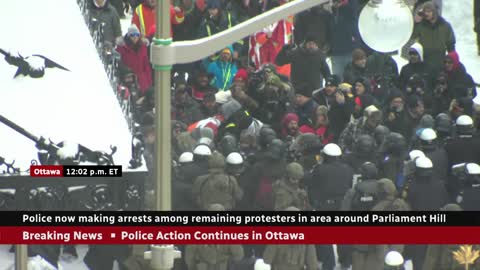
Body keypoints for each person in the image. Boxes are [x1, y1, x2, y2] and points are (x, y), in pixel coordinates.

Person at [412, 1, 455, 73]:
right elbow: (412, 36)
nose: (426, 14)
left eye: (429, 11)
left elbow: (451, 44)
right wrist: (416, 23)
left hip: (440, 62)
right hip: (425, 62)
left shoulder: (445, 26)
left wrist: (452, 60)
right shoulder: (421, 25)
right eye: (425, 11)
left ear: (434, 12)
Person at [116, 25, 153, 95]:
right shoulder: (122, 47)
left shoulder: (143, 47)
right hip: (129, 81)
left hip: (142, 82)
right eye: (132, 35)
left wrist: (149, 82)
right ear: (129, 36)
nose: (135, 37)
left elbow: (146, 65)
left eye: (137, 35)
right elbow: (119, 63)